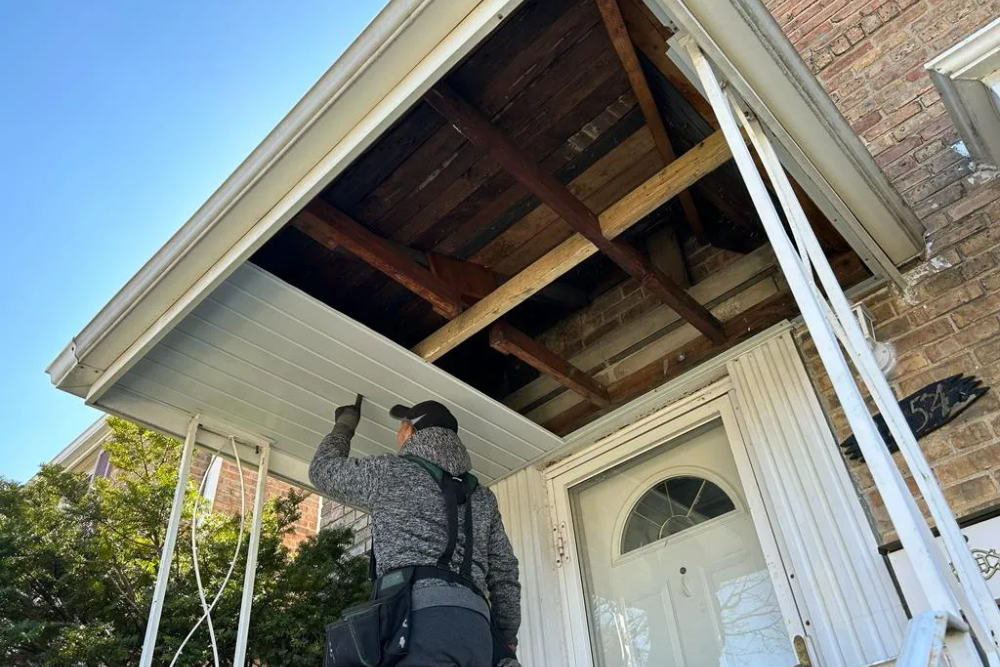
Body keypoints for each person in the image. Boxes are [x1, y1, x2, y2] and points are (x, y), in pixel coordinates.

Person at [309, 398, 521, 667]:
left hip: (414, 622)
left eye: (401, 427)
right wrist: (505, 640)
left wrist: (344, 425)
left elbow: (322, 471)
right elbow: (505, 573)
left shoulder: (389, 472)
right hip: (476, 628)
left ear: (409, 430)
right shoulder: (482, 496)